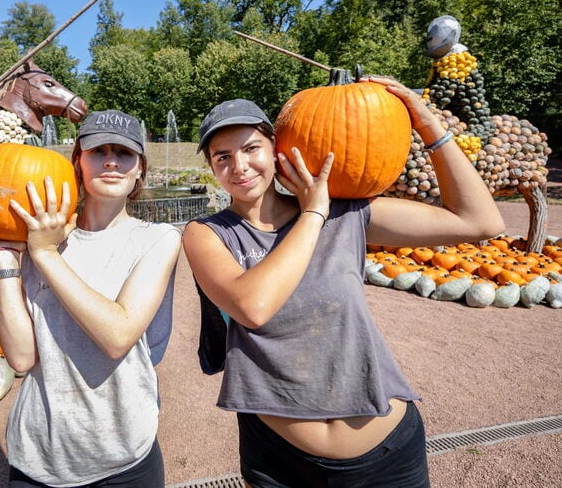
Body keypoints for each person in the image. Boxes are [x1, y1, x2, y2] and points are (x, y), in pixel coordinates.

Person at [182, 80, 505, 488]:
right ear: (212, 168)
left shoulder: (347, 213)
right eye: (222, 157)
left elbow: (480, 222)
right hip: (281, 462)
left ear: (276, 150)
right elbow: (252, 306)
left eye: (250, 149)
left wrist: (427, 124)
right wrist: (312, 214)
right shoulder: (208, 234)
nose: (240, 166)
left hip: (387, 457)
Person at [0, 109, 182, 487]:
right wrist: (5, 259)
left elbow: (118, 336)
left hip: (124, 455)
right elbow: (21, 359)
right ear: (77, 164)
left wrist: (45, 255)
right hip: (40, 454)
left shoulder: (158, 239)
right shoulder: (40, 237)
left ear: (140, 170)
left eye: (124, 153)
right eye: (98, 151)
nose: (111, 161)